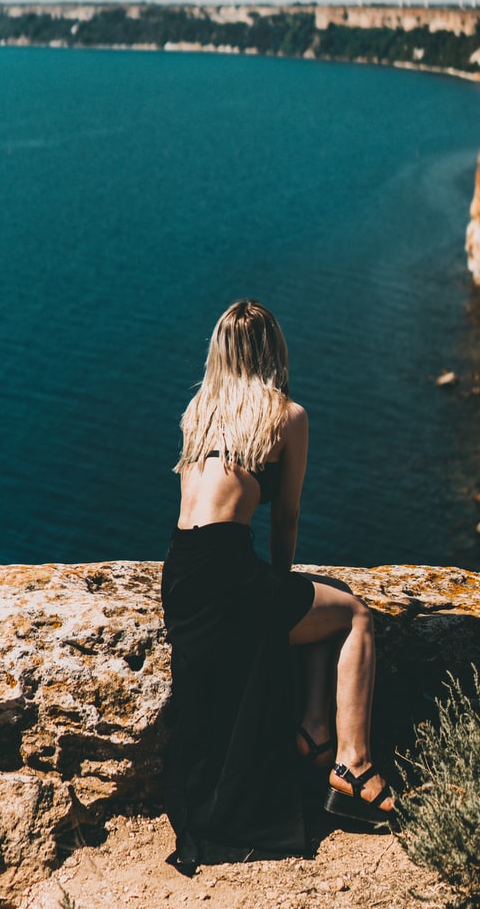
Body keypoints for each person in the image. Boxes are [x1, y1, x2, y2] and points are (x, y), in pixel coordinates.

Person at [161, 299, 394, 875]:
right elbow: (284, 518)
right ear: (273, 351)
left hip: (181, 572)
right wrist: (279, 586)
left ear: (220, 351)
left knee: (306, 608)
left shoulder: (199, 409)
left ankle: (314, 732)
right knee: (355, 615)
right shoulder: (285, 416)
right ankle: (353, 764)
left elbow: (195, 512)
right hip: (227, 573)